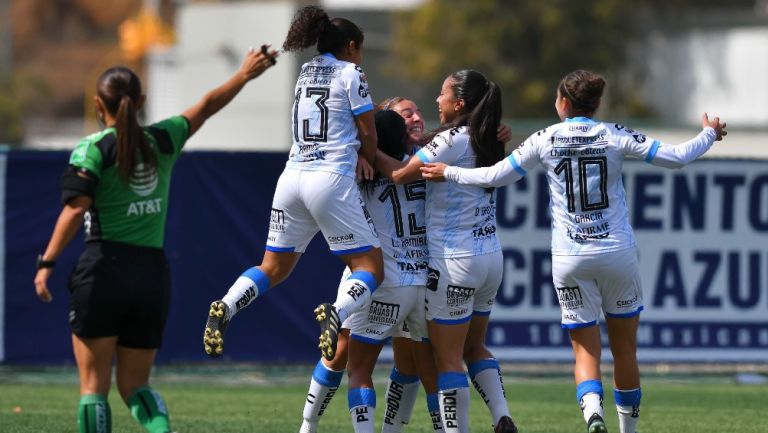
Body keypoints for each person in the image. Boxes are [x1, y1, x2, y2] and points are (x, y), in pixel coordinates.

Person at [420, 69, 728, 433]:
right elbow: (676, 157)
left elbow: (494, 175)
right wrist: (709, 132)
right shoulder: (613, 134)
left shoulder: (545, 138)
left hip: (570, 258)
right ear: (595, 104)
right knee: (625, 351)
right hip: (617, 252)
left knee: (586, 351)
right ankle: (627, 430)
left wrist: (449, 172)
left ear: (563, 102)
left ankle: (593, 415)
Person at [33, 47, 278, 433]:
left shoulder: (93, 148)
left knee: (93, 389)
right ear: (142, 101)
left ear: (98, 103)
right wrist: (245, 73)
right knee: (136, 386)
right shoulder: (164, 139)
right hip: (150, 276)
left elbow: (75, 209)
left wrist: (46, 263)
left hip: (103, 271)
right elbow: (208, 104)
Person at [203, 5, 383, 364]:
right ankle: (337, 312)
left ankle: (227, 304)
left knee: (273, 267)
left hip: (291, 177)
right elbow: (367, 130)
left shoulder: (305, 71)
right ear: (351, 46)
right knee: (370, 267)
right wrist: (369, 157)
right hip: (330, 178)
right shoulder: (352, 72)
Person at [375, 71, 519, 433]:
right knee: (476, 348)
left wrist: (365, 146)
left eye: (441, 95)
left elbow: (400, 174)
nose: (436, 101)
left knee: (448, 358)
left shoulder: (453, 137)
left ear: (459, 103)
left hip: (454, 260)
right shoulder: (488, 133)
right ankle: (502, 414)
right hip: (491, 258)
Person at [300, 106, 443, 433]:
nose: (416, 118)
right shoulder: (426, 167)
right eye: (407, 113)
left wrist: (362, 152)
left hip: (378, 279)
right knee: (432, 374)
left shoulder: (360, 173)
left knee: (359, 369)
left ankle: (310, 425)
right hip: (422, 282)